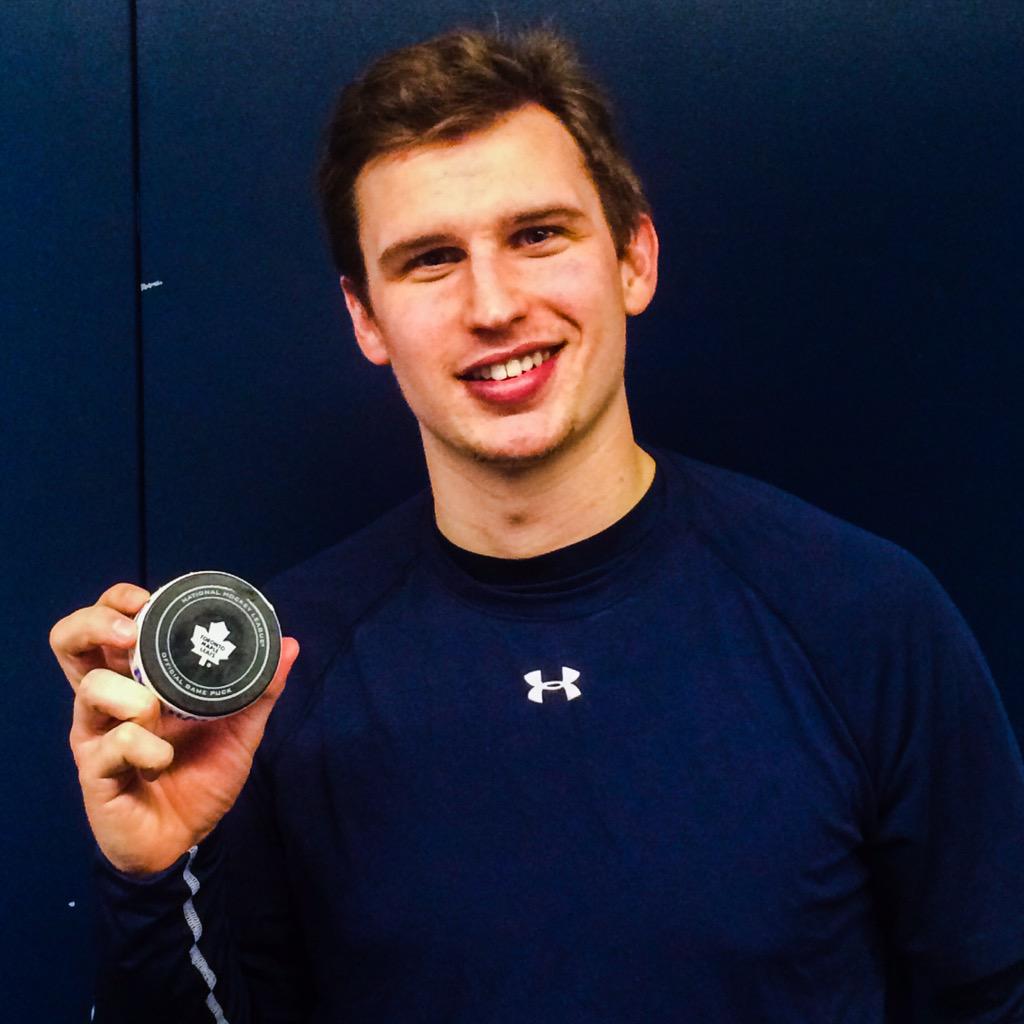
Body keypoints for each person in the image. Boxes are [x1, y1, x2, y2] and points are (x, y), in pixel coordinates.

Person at [50, 26, 1024, 1023]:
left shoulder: (863, 616)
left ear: (633, 258)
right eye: (431, 259)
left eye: (538, 235)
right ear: (367, 319)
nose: (494, 304)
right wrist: (152, 878)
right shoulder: (277, 678)